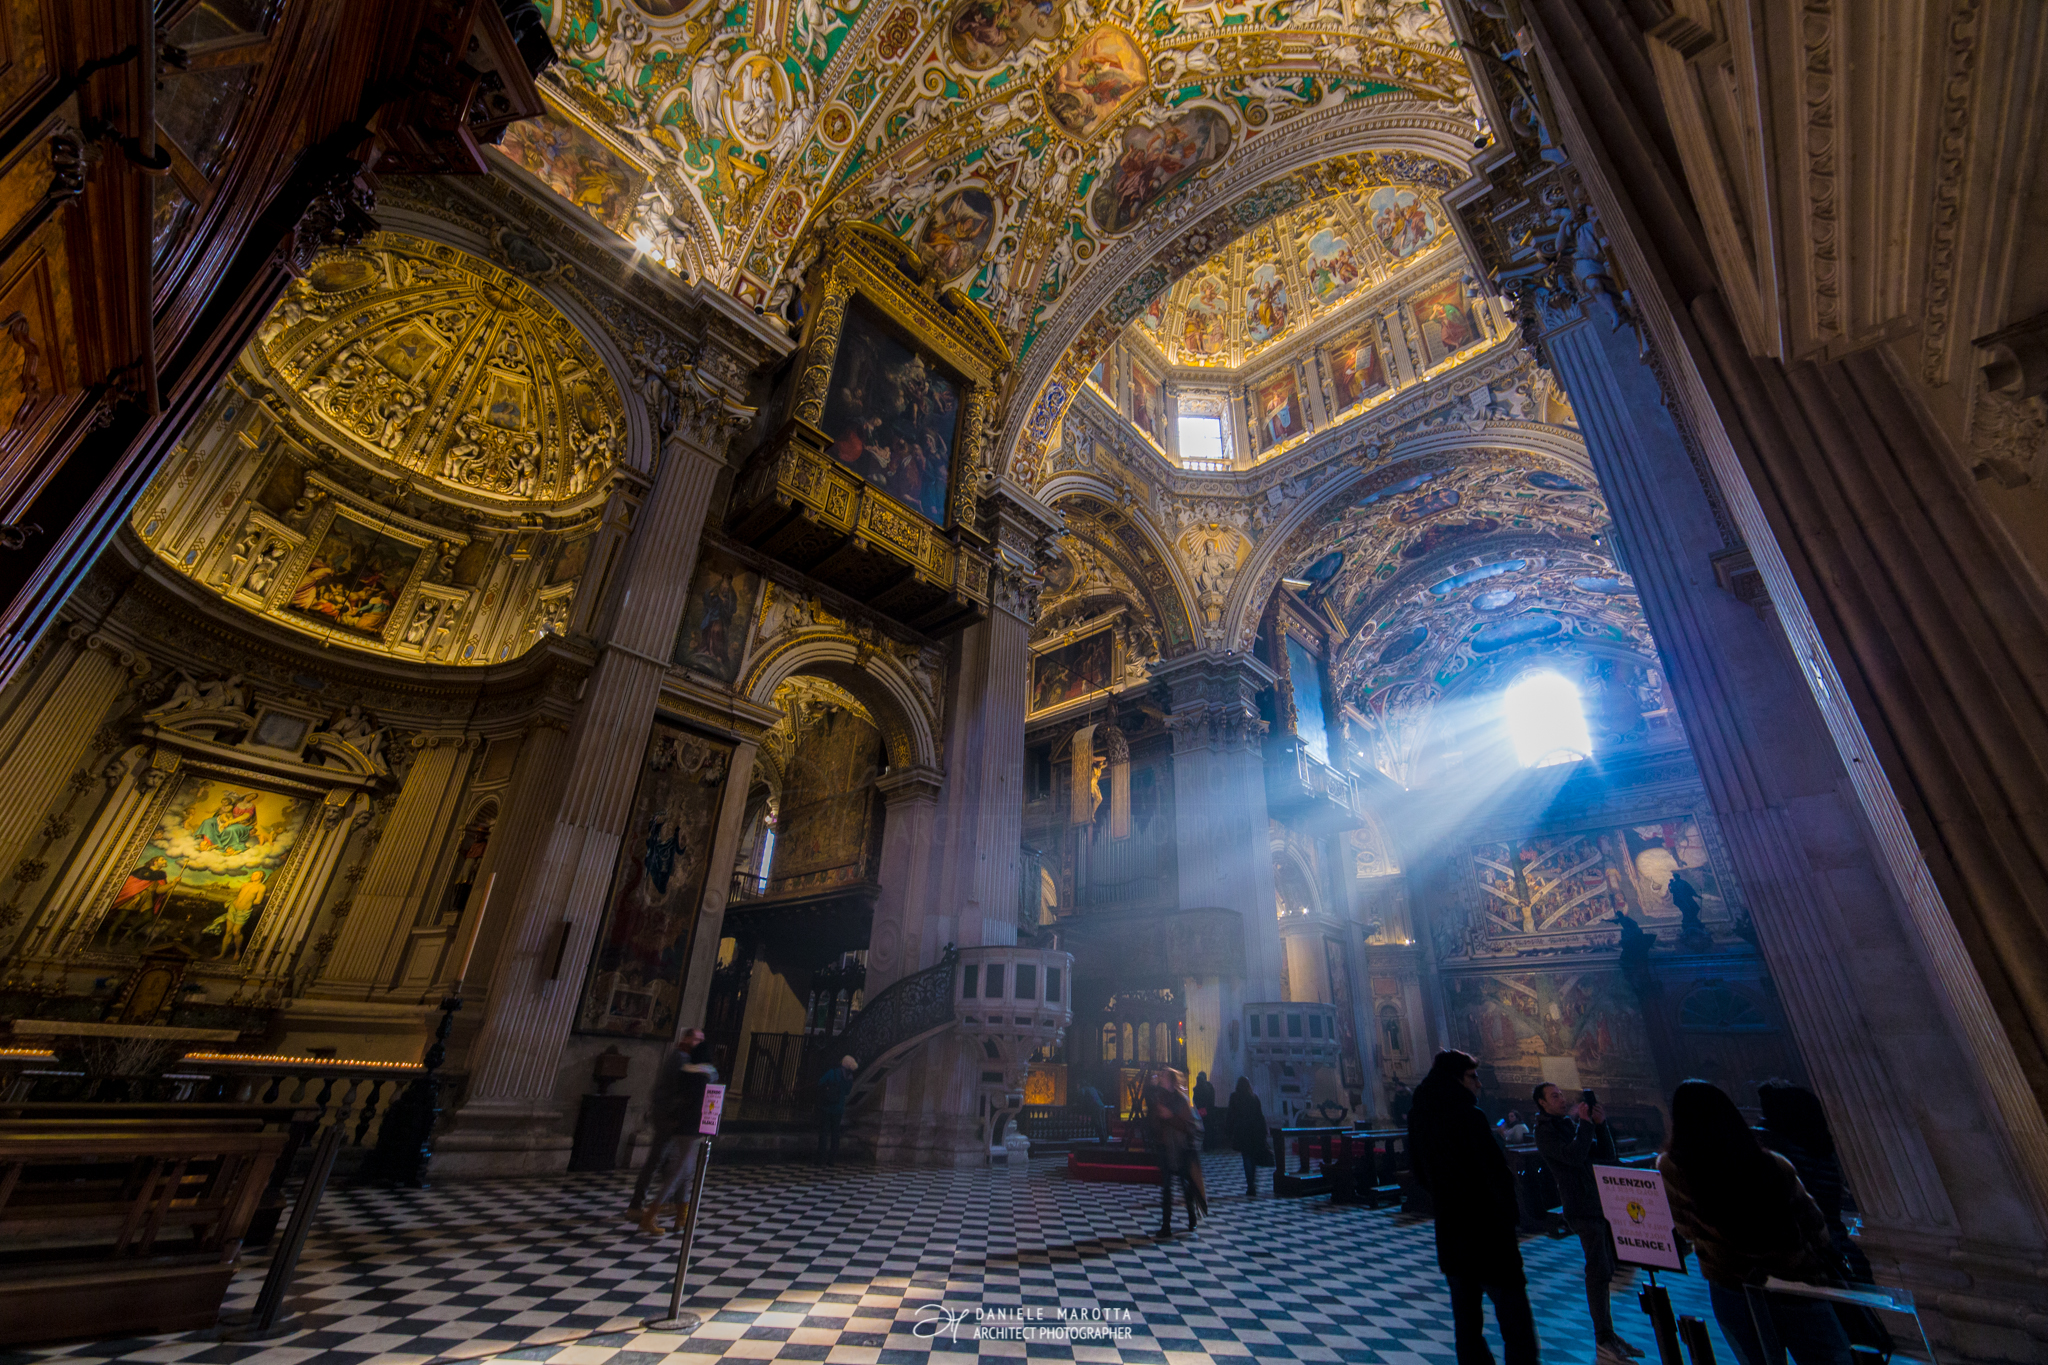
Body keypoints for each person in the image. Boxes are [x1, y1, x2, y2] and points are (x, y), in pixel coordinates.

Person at [1658, 1080, 1854, 1365]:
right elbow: (1815, 1226)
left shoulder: (1673, 1170)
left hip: (1730, 1284)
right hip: (1793, 1282)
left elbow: (1686, 1228)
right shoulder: (1772, 1164)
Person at [1408, 1050, 1538, 1365]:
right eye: (1473, 1077)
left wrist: (1446, 1197)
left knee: (1467, 1327)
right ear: (1456, 1078)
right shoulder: (1468, 1115)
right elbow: (1494, 1173)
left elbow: (1420, 1174)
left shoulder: (1420, 1116)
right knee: (1516, 1324)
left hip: (1452, 1232)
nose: (1479, 1085)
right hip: (1487, 1233)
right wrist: (1509, 1217)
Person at [1532, 1083, 1642, 1365]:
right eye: (1554, 1096)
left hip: (1597, 1202)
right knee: (1597, 1270)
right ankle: (1603, 1337)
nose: (1561, 1099)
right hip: (1579, 1205)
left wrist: (1599, 1125)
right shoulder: (1545, 1131)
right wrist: (1584, 1125)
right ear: (1542, 1104)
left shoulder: (1568, 1126)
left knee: (1605, 1268)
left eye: (1560, 1095)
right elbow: (1574, 1156)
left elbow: (1603, 1155)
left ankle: (1609, 1334)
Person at [1755, 1080, 1872, 1285]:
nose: (1760, 1120)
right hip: (1833, 1249)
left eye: (1766, 1116)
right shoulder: (1819, 1152)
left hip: (1806, 1263)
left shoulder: (1783, 1159)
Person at [629, 1028, 715, 1236]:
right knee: (668, 1166)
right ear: (686, 1039)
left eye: (701, 1039)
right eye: (696, 1038)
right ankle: (646, 1209)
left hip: (676, 1118)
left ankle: (679, 1215)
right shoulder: (685, 1062)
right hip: (674, 1118)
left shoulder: (686, 1062)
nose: (698, 1042)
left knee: (682, 1170)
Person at [1144, 1068, 1206, 1236]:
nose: (1160, 1078)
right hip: (1165, 1148)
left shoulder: (1181, 1100)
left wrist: (1170, 1116)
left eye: (1163, 1076)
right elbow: (1154, 1121)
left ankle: (1192, 1218)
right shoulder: (1159, 1097)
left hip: (1181, 1149)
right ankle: (1166, 1225)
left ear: (1171, 1080)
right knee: (1166, 1188)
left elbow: (1189, 1126)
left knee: (1185, 1186)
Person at [1226, 1075, 1269, 1196]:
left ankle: (1250, 1184)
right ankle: (1252, 1183)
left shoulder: (1235, 1097)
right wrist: (1263, 1132)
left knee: (1246, 1158)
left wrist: (1229, 1130)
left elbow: (1231, 1114)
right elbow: (1260, 1116)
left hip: (1242, 1131)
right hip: (1253, 1131)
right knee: (1252, 1157)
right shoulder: (1253, 1097)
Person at [818, 1054, 857, 1165]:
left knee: (824, 1132)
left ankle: (820, 1158)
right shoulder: (849, 1077)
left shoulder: (833, 1072)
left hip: (827, 1106)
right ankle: (832, 1160)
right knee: (835, 1134)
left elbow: (820, 1082)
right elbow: (847, 1092)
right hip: (839, 1107)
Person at [1193, 1070, 1218, 1150]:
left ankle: (1204, 1146)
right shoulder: (1209, 1087)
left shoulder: (1196, 1088)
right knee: (1209, 1128)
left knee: (1202, 1129)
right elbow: (1212, 1099)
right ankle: (1210, 1146)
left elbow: (1195, 1100)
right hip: (1209, 1111)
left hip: (1200, 1112)